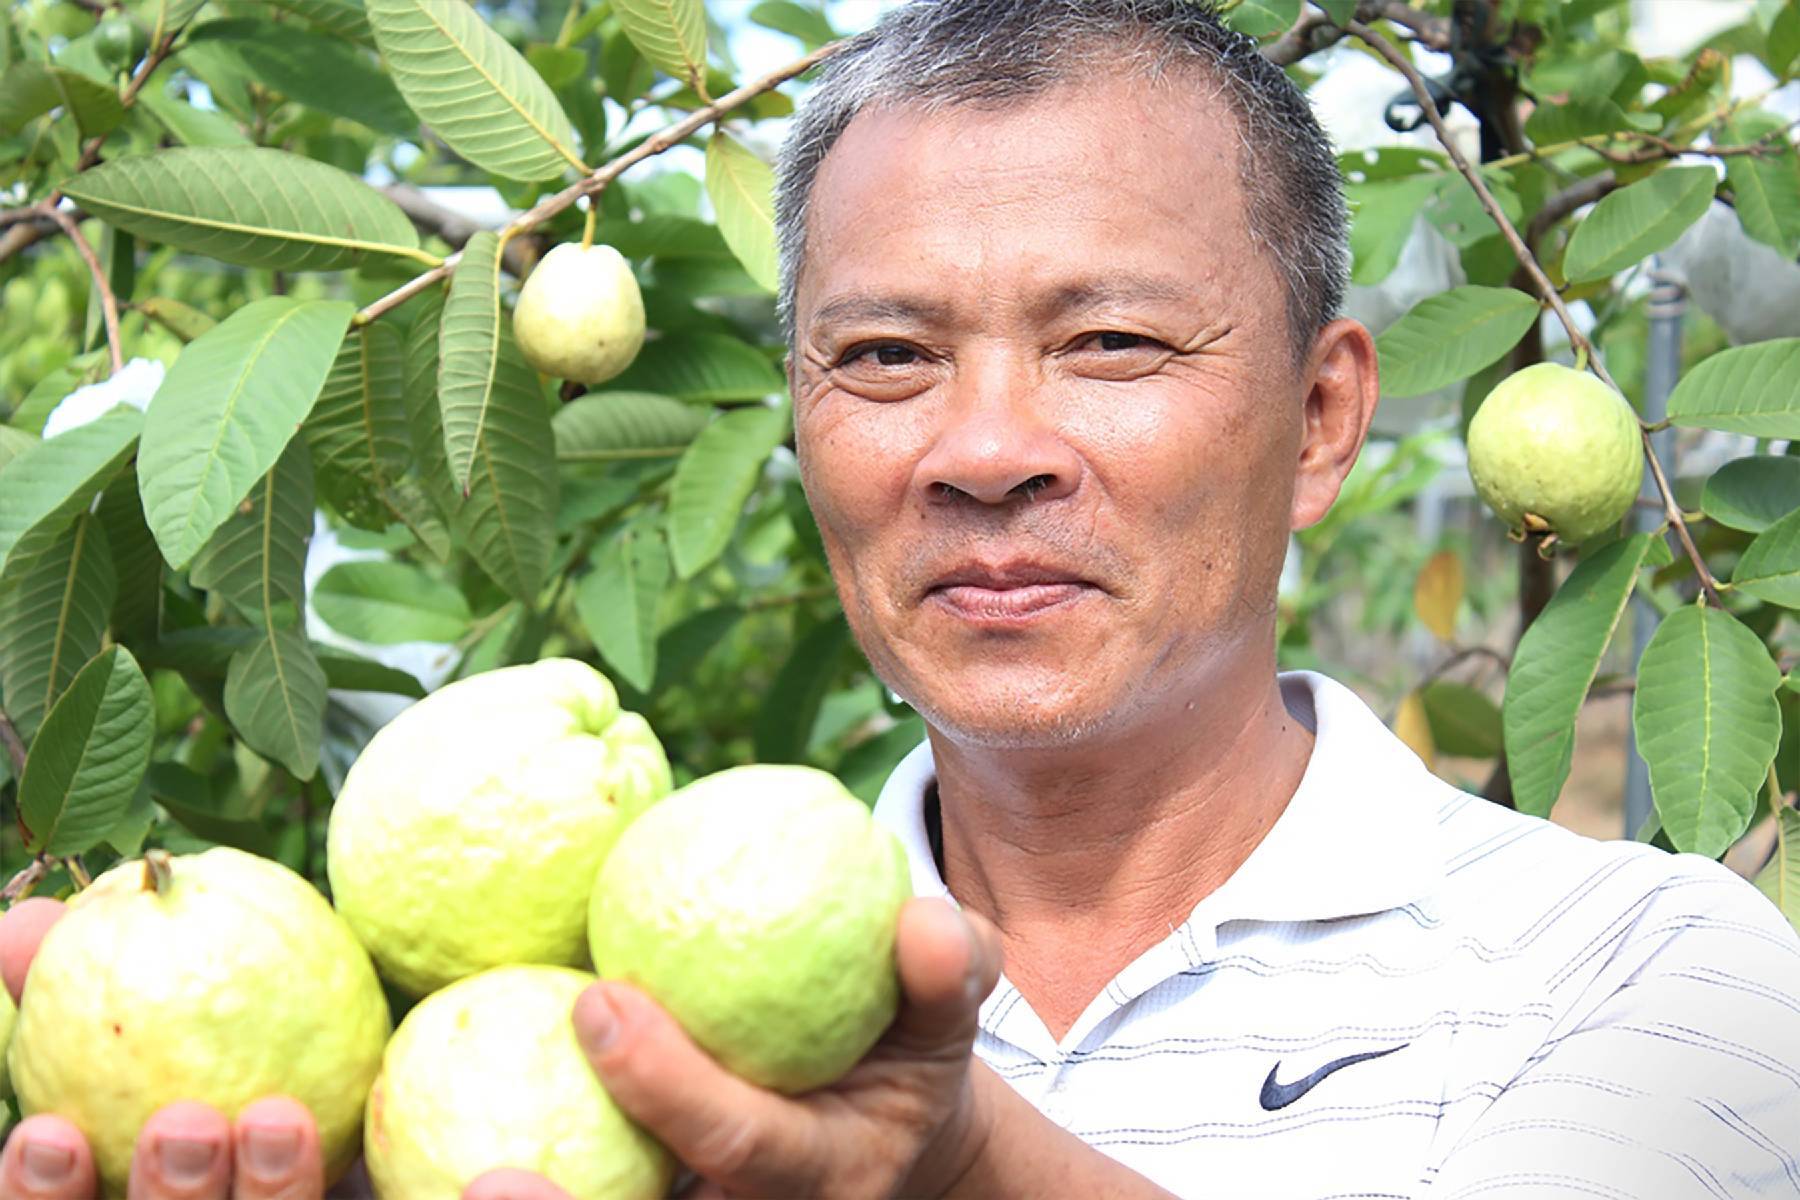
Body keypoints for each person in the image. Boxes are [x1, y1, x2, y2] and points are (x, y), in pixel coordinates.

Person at [5, 1, 1799, 1196]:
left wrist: (957, 1167)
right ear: (800, 423)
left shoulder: (1653, 975)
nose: (985, 448)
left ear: (1323, 420)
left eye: (1108, 341)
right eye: (884, 356)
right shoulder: (602, 1030)